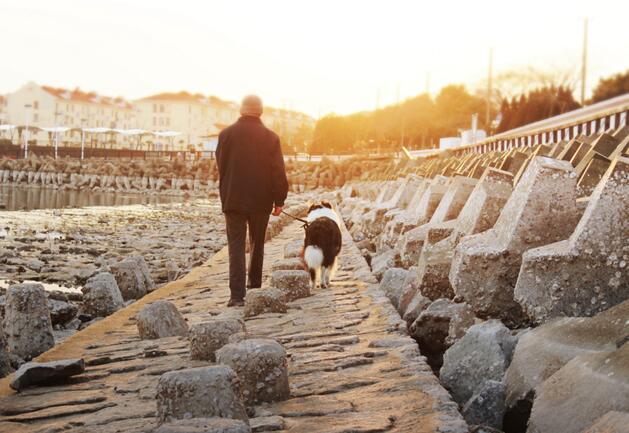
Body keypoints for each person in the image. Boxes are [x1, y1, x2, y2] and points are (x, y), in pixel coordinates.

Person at [216, 94, 289, 307]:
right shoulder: (270, 137)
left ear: (241, 110)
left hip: (233, 199)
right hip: (261, 199)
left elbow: (222, 166)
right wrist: (279, 200)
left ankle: (236, 296)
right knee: (257, 244)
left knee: (236, 246)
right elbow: (278, 172)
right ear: (261, 111)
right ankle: (255, 286)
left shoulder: (225, 135)